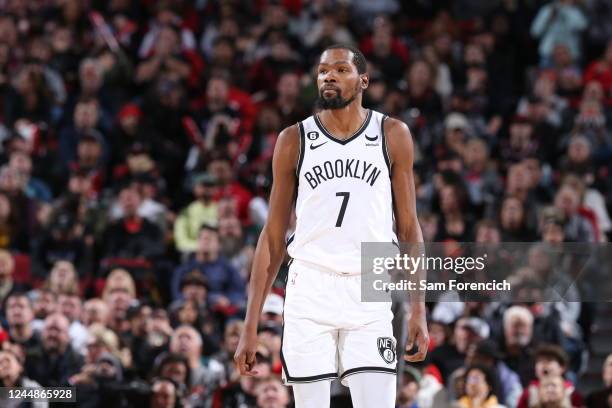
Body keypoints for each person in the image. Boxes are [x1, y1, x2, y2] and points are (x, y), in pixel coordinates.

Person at [234, 44, 428, 408]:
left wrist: (418, 308)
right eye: (323, 71)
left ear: (363, 81)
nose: (329, 77)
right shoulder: (293, 139)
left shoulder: (392, 134)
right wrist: (250, 324)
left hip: (370, 285)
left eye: (340, 70)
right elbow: (273, 236)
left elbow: (408, 229)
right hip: (310, 286)